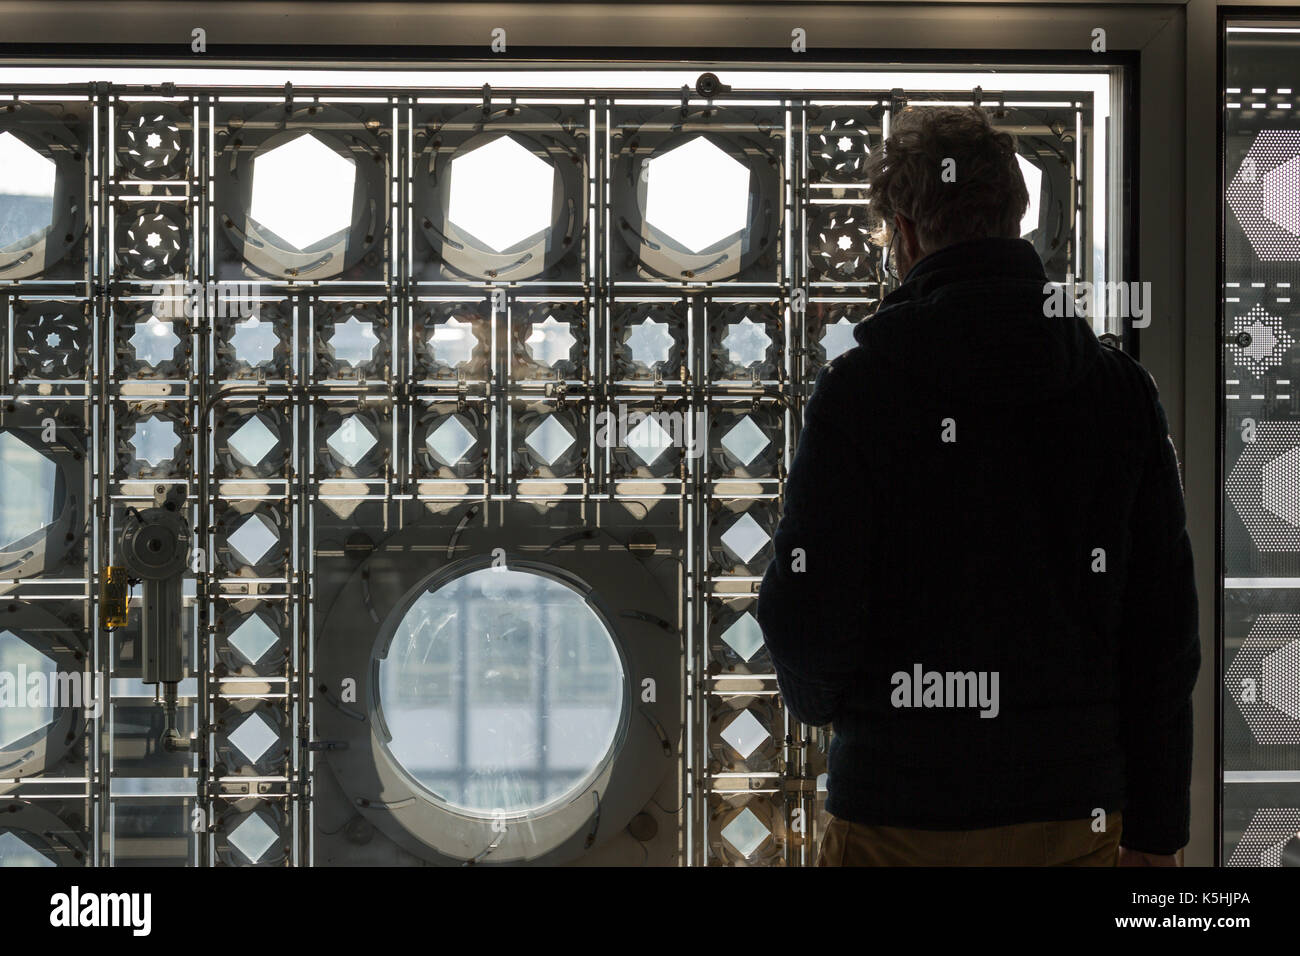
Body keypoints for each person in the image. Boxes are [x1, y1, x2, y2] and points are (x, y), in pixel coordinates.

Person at [756, 106, 1200, 866]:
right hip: (1074, 818)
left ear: (903, 230)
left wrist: (830, 706)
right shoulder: (1117, 392)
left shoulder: (860, 394)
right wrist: (1157, 836)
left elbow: (809, 612)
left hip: (896, 816)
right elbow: (1163, 633)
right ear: (1019, 214)